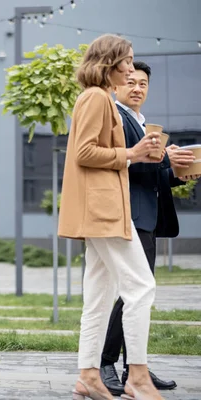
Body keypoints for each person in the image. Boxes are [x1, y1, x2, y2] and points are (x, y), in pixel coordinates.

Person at [58, 34, 165, 400]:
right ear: (111, 63)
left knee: (101, 296)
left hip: (104, 209)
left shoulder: (99, 98)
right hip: (102, 210)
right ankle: (137, 375)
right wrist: (132, 152)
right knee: (141, 286)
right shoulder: (95, 98)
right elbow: (85, 152)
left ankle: (88, 375)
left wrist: (133, 154)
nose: (133, 69)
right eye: (129, 62)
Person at [100, 61, 199, 396]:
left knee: (137, 293)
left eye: (143, 83)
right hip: (126, 215)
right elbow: (125, 166)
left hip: (148, 217)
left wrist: (176, 173)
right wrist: (164, 158)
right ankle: (105, 363)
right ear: (115, 85)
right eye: (131, 82)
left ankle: (134, 367)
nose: (138, 88)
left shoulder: (143, 122)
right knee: (133, 293)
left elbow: (150, 175)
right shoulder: (117, 117)